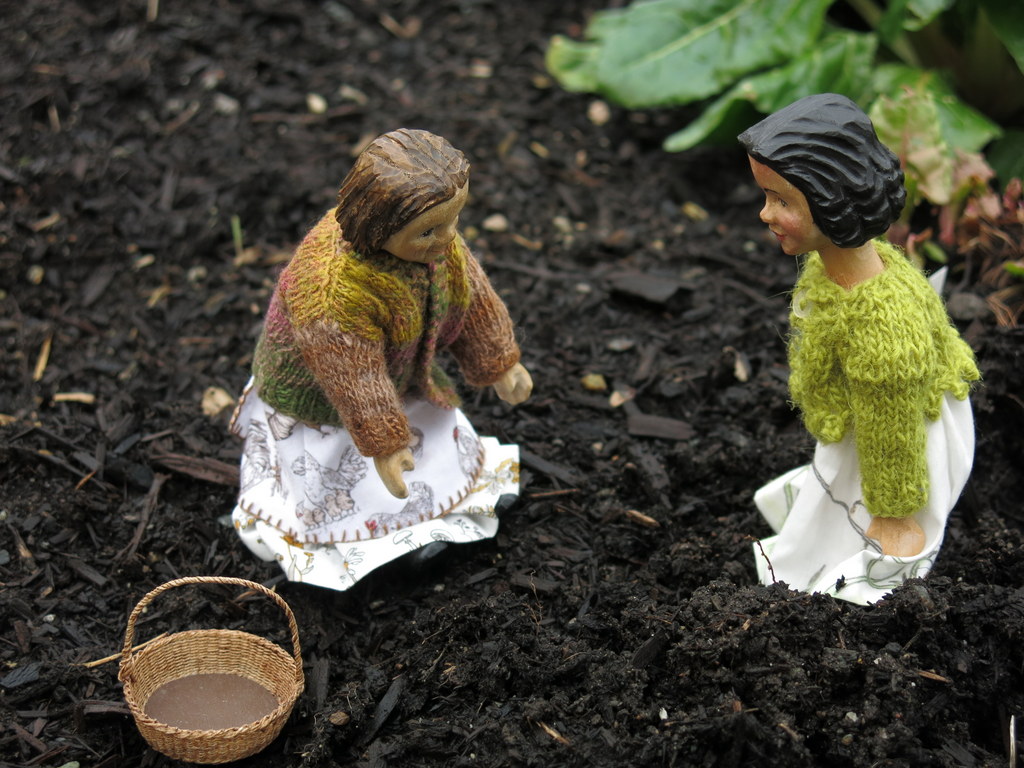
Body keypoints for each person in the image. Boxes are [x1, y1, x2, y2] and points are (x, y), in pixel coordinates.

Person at [229, 128, 533, 590]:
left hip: (401, 375)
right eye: (429, 230)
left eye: (454, 219)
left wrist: (499, 361)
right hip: (328, 402)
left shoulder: (435, 244)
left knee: (433, 440)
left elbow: (472, 297)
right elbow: (354, 376)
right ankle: (387, 548)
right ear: (379, 225)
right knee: (352, 482)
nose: (449, 237)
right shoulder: (331, 291)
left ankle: (455, 504)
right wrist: (385, 441)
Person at [738, 93, 980, 604]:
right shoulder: (837, 271)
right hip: (861, 421)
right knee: (840, 486)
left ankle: (865, 561)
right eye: (767, 196)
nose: (765, 213)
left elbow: (893, 431)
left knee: (853, 518)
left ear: (832, 199)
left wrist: (894, 516)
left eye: (782, 201)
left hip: (897, 441)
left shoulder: (880, 328)